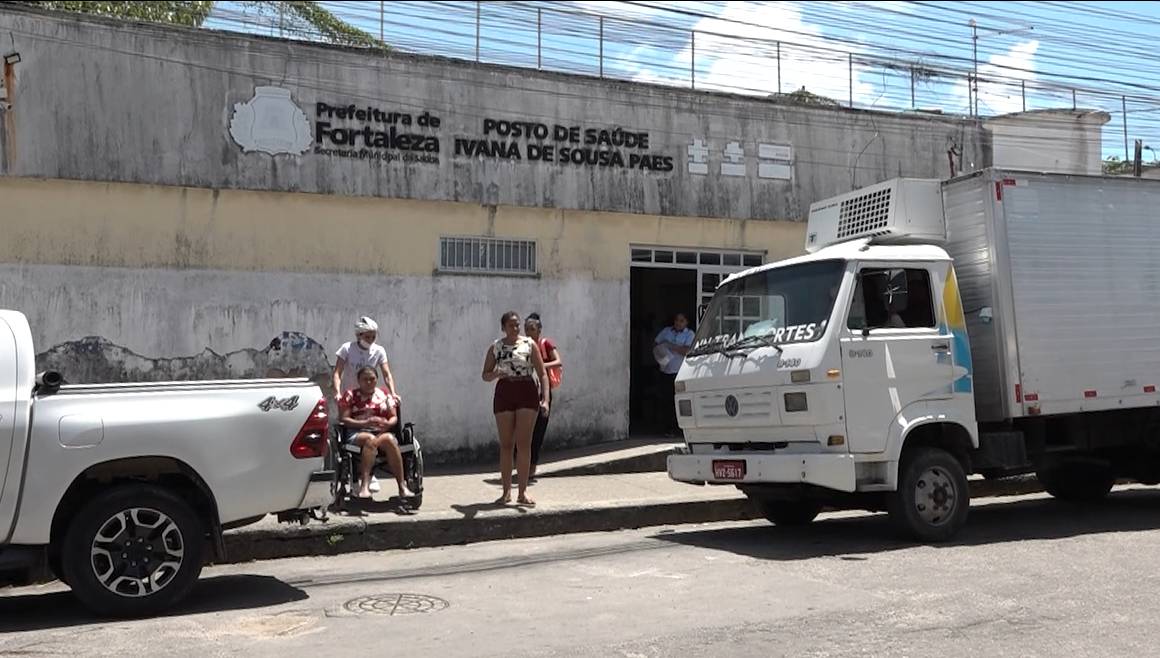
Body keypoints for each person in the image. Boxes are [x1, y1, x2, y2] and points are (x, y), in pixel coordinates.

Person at [482, 311, 551, 506]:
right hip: (505, 391)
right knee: (506, 444)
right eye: (511, 325)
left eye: (517, 325)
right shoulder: (496, 347)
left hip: (526, 390)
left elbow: (542, 374)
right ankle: (506, 492)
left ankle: (522, 492)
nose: (515, 328)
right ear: (503, 327)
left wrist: (545, 400)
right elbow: (485, 374)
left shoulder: (529, 345)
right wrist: (496, 373)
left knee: (523, 444)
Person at [333, 316, 399, 493]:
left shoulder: (379, 351)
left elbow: (386, 374)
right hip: (351, 398)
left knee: (377, 433)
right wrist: (338, 392)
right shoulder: (347, 349)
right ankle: (357, 476)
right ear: (359, 335)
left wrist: (392, 393)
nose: (371, 340)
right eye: (367, 336)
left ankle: (370, 474)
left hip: (372, 397)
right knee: (353, 434)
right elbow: (337, 373)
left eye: (373, 337)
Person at [338, 366, 414, 501]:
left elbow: (393, 417)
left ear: (376, 380)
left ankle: (402, 487)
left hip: (381, 432)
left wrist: (388, 424)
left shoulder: (384, 394)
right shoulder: (351, 395)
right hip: (358, 433)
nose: (369, 382)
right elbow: (344, 419)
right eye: (365, 379)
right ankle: (365, 486)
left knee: (390, 439)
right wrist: (365, 423)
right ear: (359, 381)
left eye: (372, 379)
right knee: (369, 439)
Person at [523, 313, 562, 479]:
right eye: (526, 329)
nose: (529, 332)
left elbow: (558, 361)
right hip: (526, 390)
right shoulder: (522, 346)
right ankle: (523, 463)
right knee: (524, 429)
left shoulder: (545, 344)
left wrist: (540, 365)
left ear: (539, 330)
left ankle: (532, 465)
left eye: (532, 329)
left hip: (543, 392)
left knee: (539, 429)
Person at [654, 313, 694, 436]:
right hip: (666, 371)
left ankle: (680, 429)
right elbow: (656, 344)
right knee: (666, 401)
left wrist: (670, 345)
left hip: (681, 373)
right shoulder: (666, 331)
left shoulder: (689, 334)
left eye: (682, 320)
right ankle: (668, 428)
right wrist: (662, 350)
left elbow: (687, 351)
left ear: (686, 322)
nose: (678, 323)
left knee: (680, 401)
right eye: (676, 320)